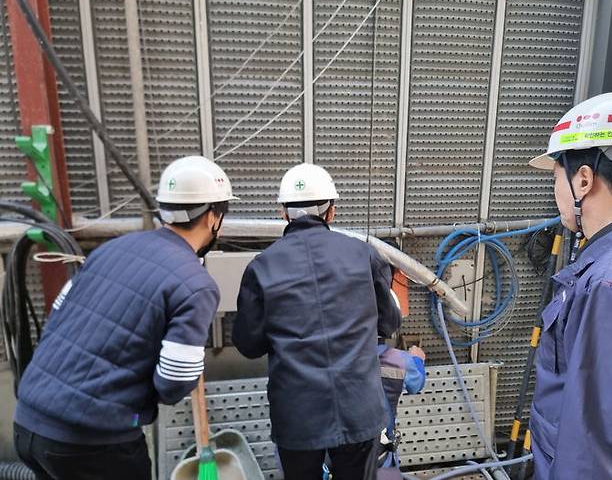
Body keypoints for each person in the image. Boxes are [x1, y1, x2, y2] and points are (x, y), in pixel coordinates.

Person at [13, 155, 237, 480]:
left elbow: (58, 315)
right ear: (213, 217)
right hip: (93, 440)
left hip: (29, 421)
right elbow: (174, 383)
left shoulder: (109, 249)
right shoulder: (195, 283)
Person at [232, 162, 401, 480]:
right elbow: (389, 324)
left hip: (297, 414)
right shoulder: (364, 255)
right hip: (358, 406)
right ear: (331, 211)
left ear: (284, 212)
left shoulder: (261, 266)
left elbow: (248, 344)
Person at [528, 91, 612, 479]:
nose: (556, 192)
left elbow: (597, 456)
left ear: (583, 179)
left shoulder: (610, 287)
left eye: (556, 176)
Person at [375, 336, 426, 480]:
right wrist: (417, 359)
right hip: (379, 457)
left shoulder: (332, 355)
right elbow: (416, 384)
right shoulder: (398, 359)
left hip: (336, 454)